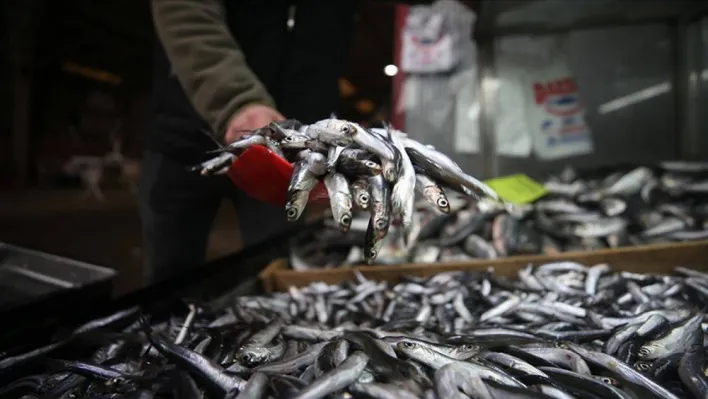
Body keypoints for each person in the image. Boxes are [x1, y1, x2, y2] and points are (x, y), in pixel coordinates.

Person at [141, 0, 355, 283]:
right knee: (168, 277)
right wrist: (236, 101)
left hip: (289, 159)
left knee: (275, 271)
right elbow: (186, 11)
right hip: (187, 135)